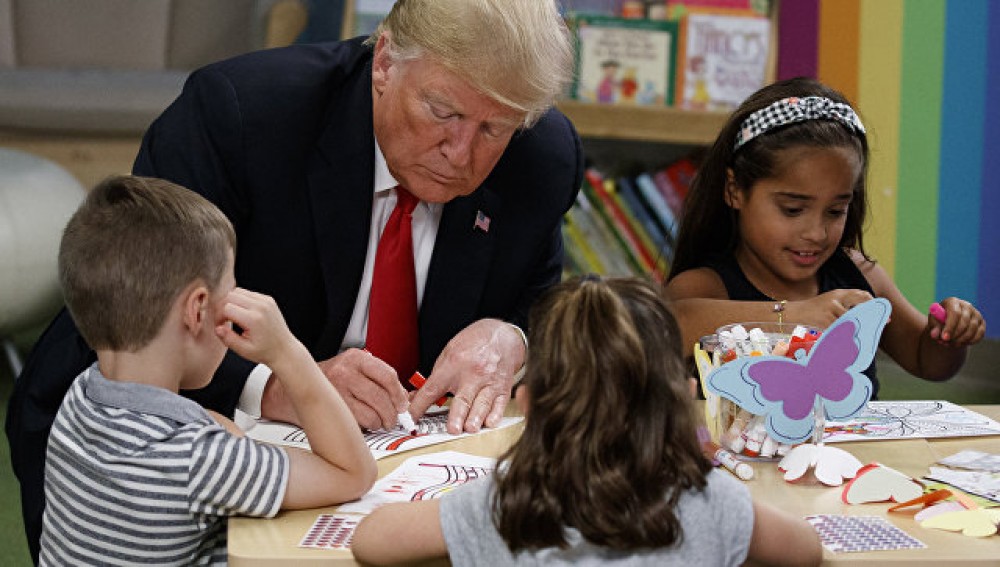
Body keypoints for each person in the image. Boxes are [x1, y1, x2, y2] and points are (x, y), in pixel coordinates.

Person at [7, 0, 582, 559]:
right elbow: (139, 299)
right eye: (442, 112)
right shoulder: (241, 114)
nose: (460, 153)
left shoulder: (543, 157)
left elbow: (542, 300)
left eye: (494, 130)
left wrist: (511, 337)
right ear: (385, 62)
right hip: (194, 436)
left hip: (406, 465)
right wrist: (278, 382)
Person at [351, 276, 822, 566]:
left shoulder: (500, 506)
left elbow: (371, 541)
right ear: (684, 397)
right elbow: (806, 549)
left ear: (528, 404)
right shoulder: (713, 502)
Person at [38, 176, 376, 565]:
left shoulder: (78, 398)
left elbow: (206, 425)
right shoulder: (198, 459)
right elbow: (352, 473)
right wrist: (287, 353)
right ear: (197, 310)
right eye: (230, 294)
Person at [665, 77, 986, 398]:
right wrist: (796, 316)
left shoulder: (861, 274)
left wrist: (948, 335)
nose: (816, 233)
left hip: (851, 435)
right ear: (734, 190)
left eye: (835, 211)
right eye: (792, 209)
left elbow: (926, 362)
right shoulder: (703, 286)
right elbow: (672, 326)